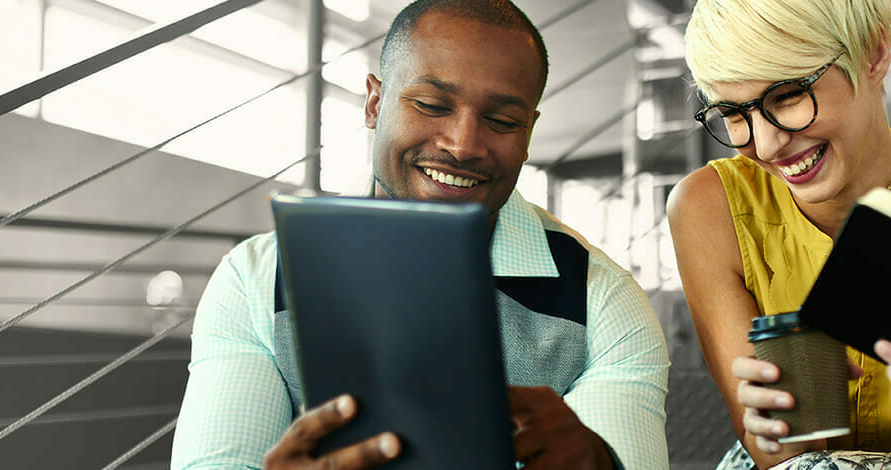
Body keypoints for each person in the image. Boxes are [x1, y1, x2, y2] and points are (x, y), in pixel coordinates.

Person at [171, 1, 669, 469]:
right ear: (374, 103)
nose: (463, 144)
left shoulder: (601, 302)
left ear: (530, 131)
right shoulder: (258, 279)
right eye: (432, 104)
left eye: (500, 120)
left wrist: (599, 461)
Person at [668, 0, 891, 468]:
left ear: (874, 51)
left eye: (788, 95)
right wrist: (773, 424)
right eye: (732, 113)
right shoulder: (711, 210)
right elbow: (782, 459)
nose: (766, 145)